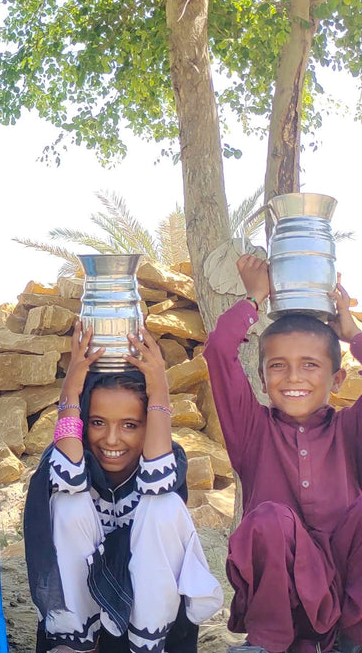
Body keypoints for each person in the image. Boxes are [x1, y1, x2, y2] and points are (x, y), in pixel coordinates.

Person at [25, 323, 223, 653]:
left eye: (130, 425)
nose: (112, 439)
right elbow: (70, 479)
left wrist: (159, 390)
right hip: (87, 620)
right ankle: (75, 647)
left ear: (149, 426)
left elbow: (158, 485)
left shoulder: (167, 457)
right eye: (98, 422)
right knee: (66, 504)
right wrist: (70, 393)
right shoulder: (66, 455)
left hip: (148, 627)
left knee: (163, 507)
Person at [202, 254, 362, 653]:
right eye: (278, 366)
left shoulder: (349, 428)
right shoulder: (252, 430)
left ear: (337, 377)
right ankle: (267, 645)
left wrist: (351, 332)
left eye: (310, 365)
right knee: (269, 519)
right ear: (261, 376)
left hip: (349, 596)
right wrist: (255, 297)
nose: (293, 377)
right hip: (285, 604)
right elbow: (220, 351)